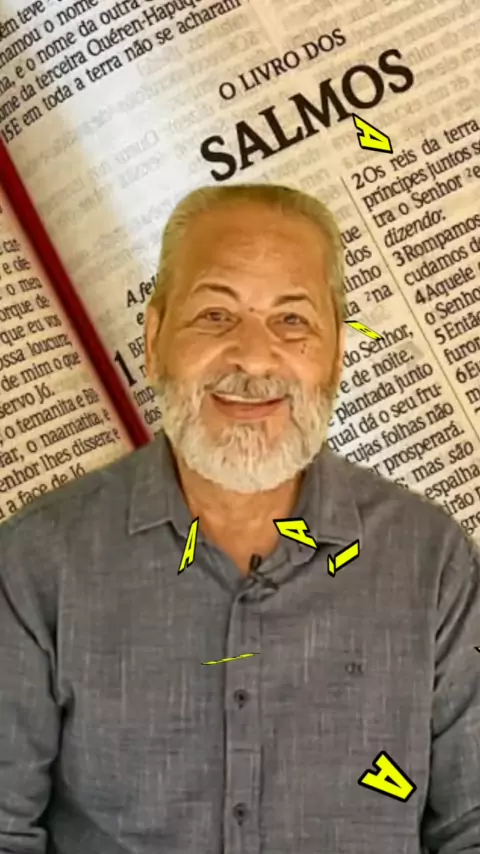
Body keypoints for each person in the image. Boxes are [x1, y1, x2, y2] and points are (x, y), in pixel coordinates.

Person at [0, 183, 479, 854]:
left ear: (337, 355)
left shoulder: (433, 563)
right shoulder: (37, 562)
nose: (253, 358)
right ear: (154, 341)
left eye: (292, 321)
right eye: (215, 315)